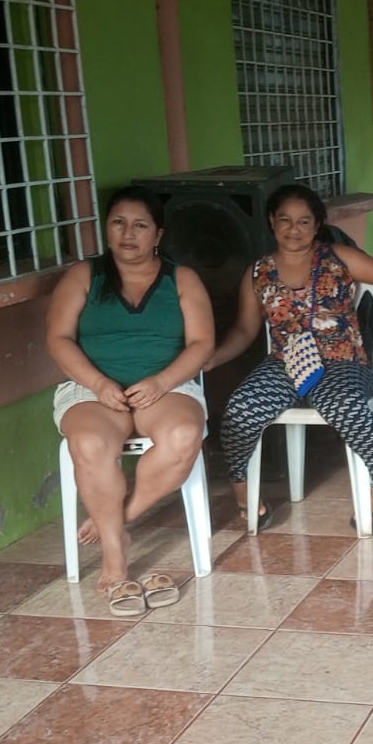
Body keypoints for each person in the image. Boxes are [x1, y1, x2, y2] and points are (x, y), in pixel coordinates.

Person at [47, 185, 215, 614]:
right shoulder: (83, 276)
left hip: (166, 386)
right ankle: (115, 553)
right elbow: (59, 339)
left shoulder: (181, 279)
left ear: (158, 234)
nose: (127, 233)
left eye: (140, 225)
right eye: (118, 223)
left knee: (183, 435)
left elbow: (201, 344)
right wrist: (99, 383)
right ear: (106, 228)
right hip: (92, 389)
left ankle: (118, 518)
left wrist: (161, 381)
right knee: (89, 443)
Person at [208, 182, 373, 530]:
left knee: (342, 405)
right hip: (284, 364)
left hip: (342, 360)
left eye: (303, 221)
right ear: (272, 221)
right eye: (285, 220)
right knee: (240, 408)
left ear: (316, 225)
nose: (293, 229)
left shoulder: (337, 257)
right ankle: (244, 490)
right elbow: (244, 330)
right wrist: (212, 358)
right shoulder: (259, 272)